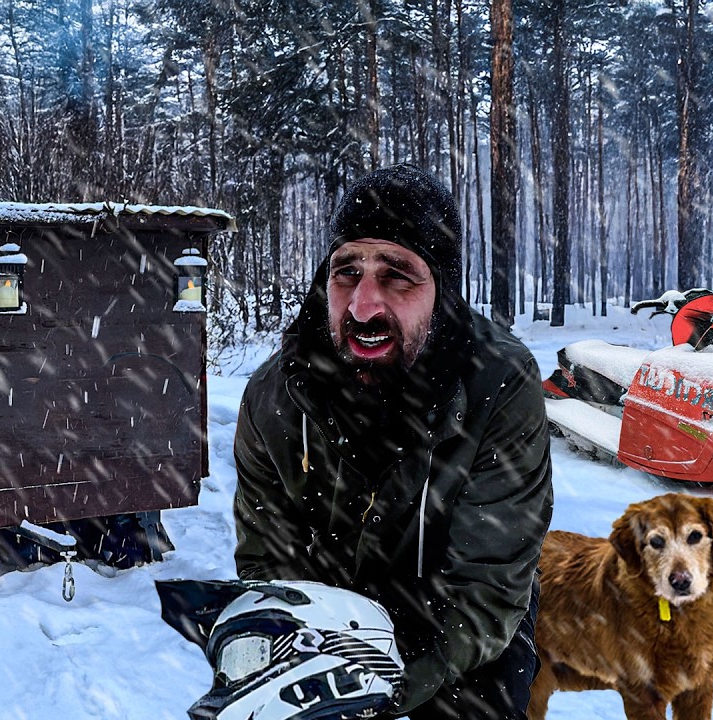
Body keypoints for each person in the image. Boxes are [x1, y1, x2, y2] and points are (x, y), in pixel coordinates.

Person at [232, 164, 553, 719]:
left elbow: (489, 587)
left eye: (398, 274)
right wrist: (301, 662)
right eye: (346, 272)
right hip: (331, 613)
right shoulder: (276, 397)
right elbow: (268, 562)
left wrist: (389, 692)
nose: (363, 305)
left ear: (441, 292)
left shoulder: (497, 382)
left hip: (457, 621)